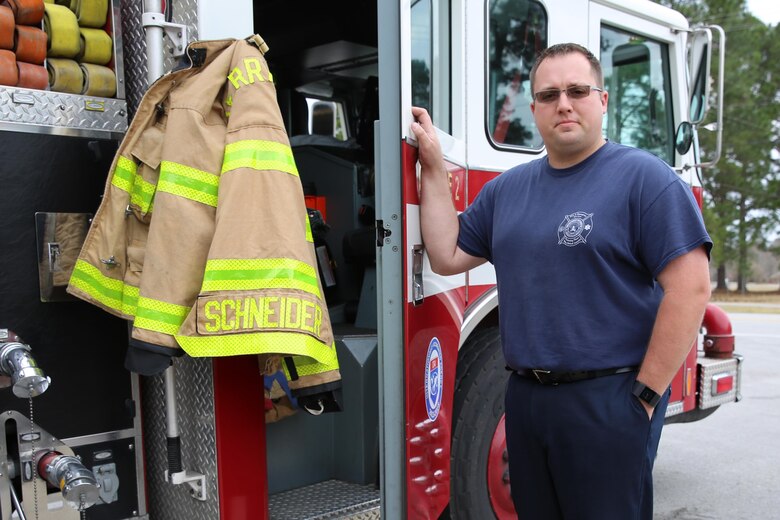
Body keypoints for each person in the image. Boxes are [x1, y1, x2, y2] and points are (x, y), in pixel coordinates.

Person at [411, 43, 712, 519]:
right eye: (549, 95)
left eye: (577, 90)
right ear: (534, 109)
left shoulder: (645, 180)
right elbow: (448, 254)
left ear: (603, 100)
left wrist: (647, 396)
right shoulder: (507, 191)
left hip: (609, 400)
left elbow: (692, 288)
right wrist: (431, 165)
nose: (564, 104)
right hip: (526, 402)